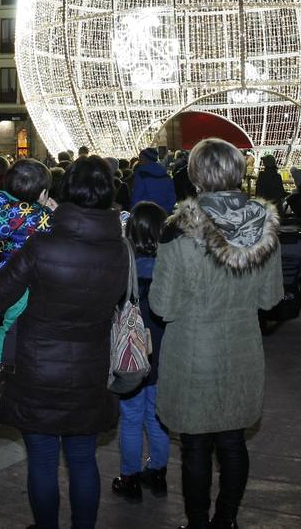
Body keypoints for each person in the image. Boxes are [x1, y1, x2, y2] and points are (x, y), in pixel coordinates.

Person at [0, 156, 128, 529]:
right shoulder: (120, 249)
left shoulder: (41, 246)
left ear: (62, 192)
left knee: (43, 461)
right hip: (91, 368)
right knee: (82, 459)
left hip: (36, 369)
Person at [151, 137, 282, 529]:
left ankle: (197, 524)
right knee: (232, 442)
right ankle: (226, 521)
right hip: (242, 350)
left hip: (192, 357)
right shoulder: (264, 229)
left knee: (194, 447)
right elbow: (270, 299)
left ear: (194, 176)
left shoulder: (179, 236)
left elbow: (163, 307)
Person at [111, 201, 170, 503]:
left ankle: (130, 478)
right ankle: (158, 473)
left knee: (131, 418)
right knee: (158, 418)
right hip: (163, 354)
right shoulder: (171, 266)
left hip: (131, 355)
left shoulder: (123, 265)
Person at [0, 158, 55, 381]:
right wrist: (53, 210)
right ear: (42, 193)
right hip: (24, 278)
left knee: (8, 318)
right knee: (12, 322)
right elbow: (60, 231)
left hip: (2, 271)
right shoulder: (38, 215)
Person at [130, 147, 178, 213]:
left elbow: (136, 196)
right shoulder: (165, 175)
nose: (139, 161)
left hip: (145, 214)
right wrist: (164, 211)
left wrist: (134, 213)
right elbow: (172, 198)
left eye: (141, 158)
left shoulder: (141, 174)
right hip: (163, 214)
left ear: (146, 158)